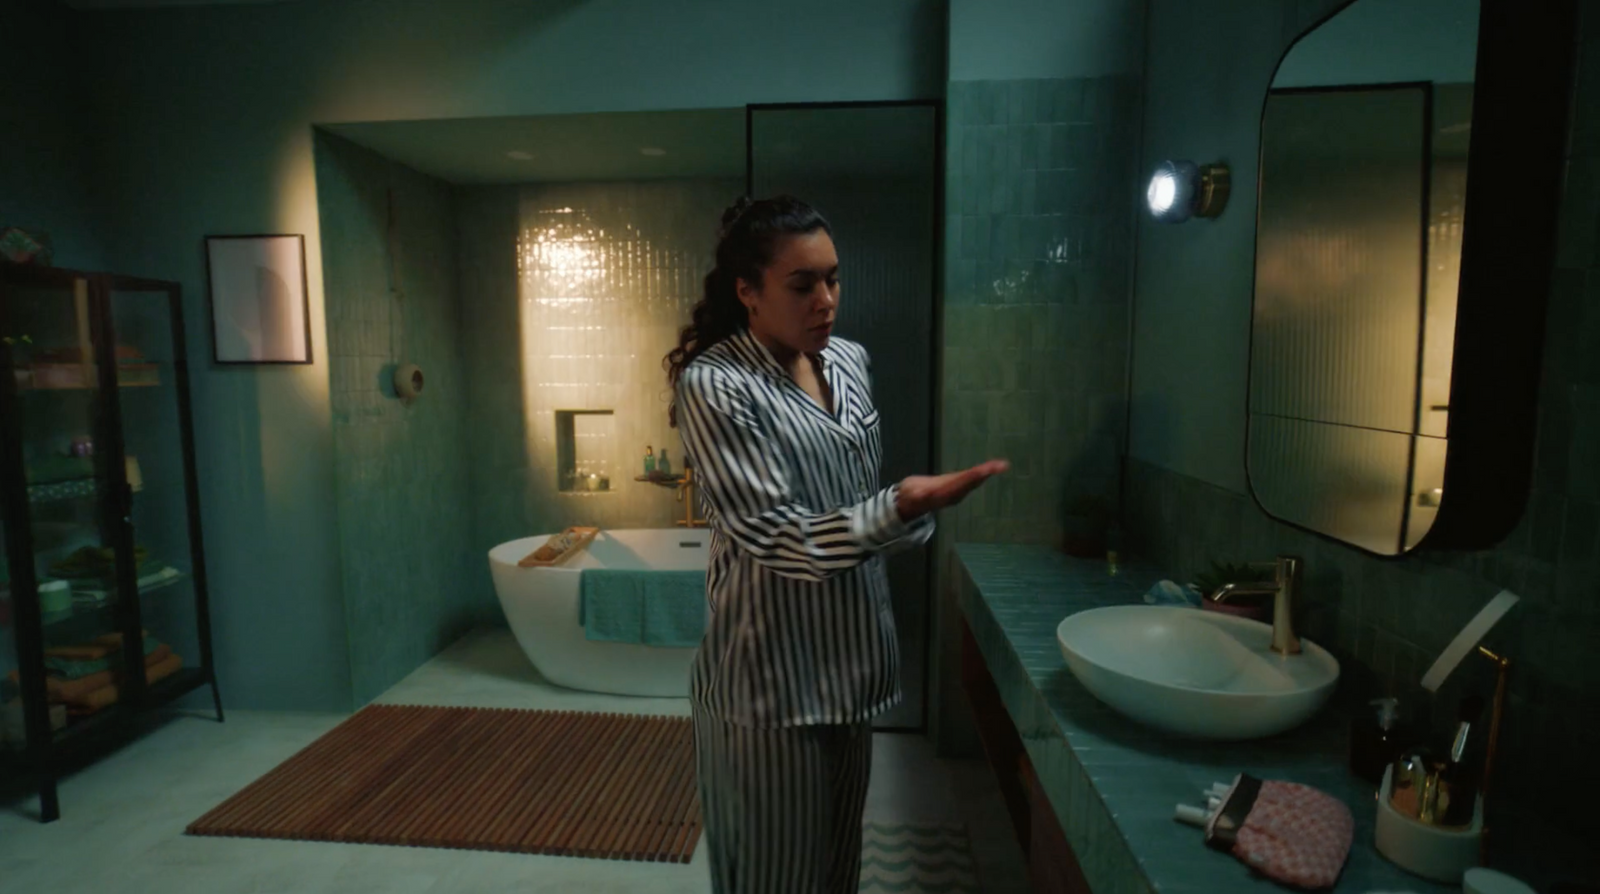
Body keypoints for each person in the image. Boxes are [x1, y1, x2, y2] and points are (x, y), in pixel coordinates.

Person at [664, 195, 1008, 893]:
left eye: (833, 278)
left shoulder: (849, 361)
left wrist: (901, 510)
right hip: (769, 683)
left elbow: (856, 497)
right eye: (801, 285)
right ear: (747, 292)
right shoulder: (716, 385)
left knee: (835, 871)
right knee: (776, 879)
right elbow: (776, 534)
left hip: (852, 662)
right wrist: (899, 506)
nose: (826, 300)